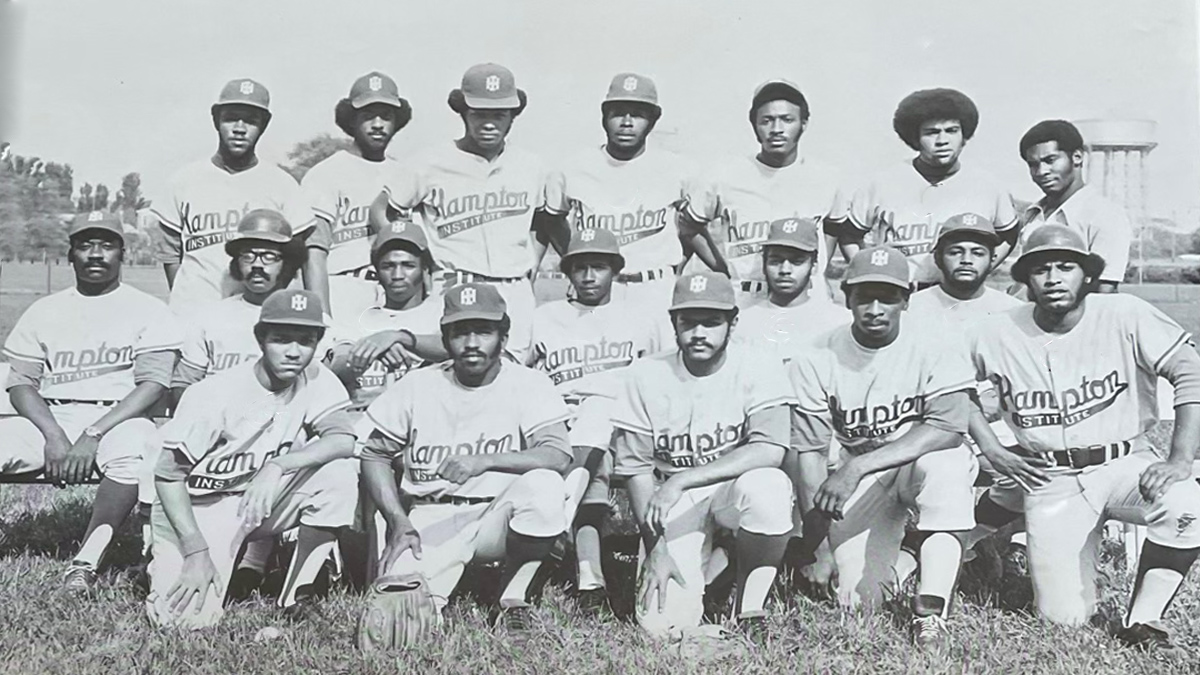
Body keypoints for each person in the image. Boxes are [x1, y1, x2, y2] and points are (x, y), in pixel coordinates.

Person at [967, 225, 1200, 656]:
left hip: (1124, 462)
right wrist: (993, 449)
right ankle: (987, 540)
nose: (1054, 278)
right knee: (1063, 619)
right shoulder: (993, 330)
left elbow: (1190, 370)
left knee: (1188, 502)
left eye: (1066, 266)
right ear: (1025, 278)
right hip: (1050, 477)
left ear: (1087, 274)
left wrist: (1181, 458)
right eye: (1041, 269)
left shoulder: (1124, 312)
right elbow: (949, 389)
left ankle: (1143, 622)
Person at [358, 283, 580, 632]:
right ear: (445, 340)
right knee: (396, 620)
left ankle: (513, 596)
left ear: (503, 338)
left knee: (545, 486)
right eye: (461, 332)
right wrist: (397, 519)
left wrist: (485, 461)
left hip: (498, 515)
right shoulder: (417, 385)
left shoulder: (528, 382)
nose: (472, 342)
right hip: (432, 515)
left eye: (484, 331)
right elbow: (373, 454)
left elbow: (557, 455)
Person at [789, 246, 977, 648]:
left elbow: (949, 427)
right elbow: (807, 452)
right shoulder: (816, 354)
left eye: (887, 297)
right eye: (864, 296)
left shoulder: (937, 341)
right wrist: (819, 546)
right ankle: (912, 553)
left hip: (914, 462)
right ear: (846, 297)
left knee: (946, 466)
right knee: (859, 602)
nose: (875, 308)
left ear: (906, 299)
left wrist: (856, 468)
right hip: (862, 473)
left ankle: (932, 614)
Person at [145, 289, 358, 629]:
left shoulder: (318, 378)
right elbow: (168, 476)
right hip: (200, 506)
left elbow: (343, 439)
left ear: (317, 342)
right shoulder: (214, 394)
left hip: (260, 498)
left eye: (305, 341)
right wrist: (195, 549)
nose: (293, 351)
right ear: (260, 339)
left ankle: (295, 595)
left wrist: (279, 465)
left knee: (339, 474)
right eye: (281, 339)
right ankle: (164, 557)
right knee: (183, 622)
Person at [0, 211, 182, 592]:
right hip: (51, 417)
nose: (96, 254)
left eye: (106, 245)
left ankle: (86, 560)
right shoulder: (45, 309)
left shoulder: (148, 308)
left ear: (123, 254)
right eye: (85, 245)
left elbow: (152, 386)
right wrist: (52, 434)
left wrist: (93, 433)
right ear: (71, 255)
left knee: (137, 452)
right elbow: (21, 385)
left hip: (118, 419)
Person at [611, 270, 795, 638]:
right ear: (673, 322)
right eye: (688, 322)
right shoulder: (644, 374)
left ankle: (750, 607)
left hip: (730, 487)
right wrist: (656, 548)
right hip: (671, 499)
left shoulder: (760, 364)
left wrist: (683, 479)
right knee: (660, 627)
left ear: (733, 322)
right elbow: (636, 469)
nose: (698, 334)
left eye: (711, 323)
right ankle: (718, 561)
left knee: (769, 488)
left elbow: (770, 449)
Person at [169, 209, 311, 598]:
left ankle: (259, 563)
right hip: (218, 443)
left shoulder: (307, 316)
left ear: (287, 264)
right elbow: (184, 384)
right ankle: (166, 546)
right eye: (250, 255)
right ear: (236, 262)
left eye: (271, 256)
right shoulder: (211, 316)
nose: (259, 265)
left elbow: (320, 390)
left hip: (280, 438)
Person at [371, 63, 555, 364]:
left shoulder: (533, 166)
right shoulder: (429, 162)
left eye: (499, 114)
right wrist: (412, 262)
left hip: (514, 286)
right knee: (449, 371)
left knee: (510, 372)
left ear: (512, 117)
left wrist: (529, 267)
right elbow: (383, 210)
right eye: (480, 113)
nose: (489, 122)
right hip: (454, 281)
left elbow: (542, 224)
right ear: (463, 112)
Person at [526, 228, 662, 614]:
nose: (588, 276)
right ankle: (592, 584)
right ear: (567, 272)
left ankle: (559, 525)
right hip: (565, 421)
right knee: (593, 454)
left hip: (626, 423)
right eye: (579, 267)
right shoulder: (546, 316)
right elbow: (521, 372)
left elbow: (662, 374)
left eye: (598, 267)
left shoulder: (641, 316)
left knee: (600, 410)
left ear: (615, 270)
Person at [828, 88, 1018, 290]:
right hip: (900, 291)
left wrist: (979, 272)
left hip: (957, 294)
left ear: (964, 135)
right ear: (915, 138)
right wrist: (870, 272)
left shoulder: (988, 185)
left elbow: (1008, 235)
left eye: (952, 131)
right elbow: (849, 236)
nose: (943, 140)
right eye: (932, 132)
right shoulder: (882, 182)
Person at [151, 78, 315, 312]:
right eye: (231, 118)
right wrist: (185, 302)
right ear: (216, 120)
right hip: (193, 310)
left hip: (254, 314)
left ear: (264, 125)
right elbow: (171, 256)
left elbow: (296, 256)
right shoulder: (183, 181)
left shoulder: (283, 184)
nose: (239, 128)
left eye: (250, 121)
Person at [678, 80, 842, 303]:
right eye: (767, 121)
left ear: (803, 124)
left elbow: (834, 226)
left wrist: (819, 264)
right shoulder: (724, 175)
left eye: (787, 119)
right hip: (746, 295)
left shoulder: (826, 177)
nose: (776, 129)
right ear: (755, 126)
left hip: (807, 296)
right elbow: (688, 225)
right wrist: (722, 268)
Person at [542, 72, 691, 317]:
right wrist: (576, 263)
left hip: (655, 287)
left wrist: (675, 263)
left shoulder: (677, 169)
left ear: (652, 121)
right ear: (604, 117)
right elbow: (552, 220)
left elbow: (694, 226)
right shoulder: (572, 168)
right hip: (597, 292)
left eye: (638, 115)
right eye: (618, 113)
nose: (627, 122)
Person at [302, 71, 413, 317]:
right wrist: (323, 318)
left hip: (394, 291)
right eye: (367, 116)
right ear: (351, 121)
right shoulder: (325, 173)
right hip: (344, 287)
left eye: (386, 116)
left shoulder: (404, 174)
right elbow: (314, 254)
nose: (377, 124)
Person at [325, 220, 445, 412]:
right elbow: (337, 367)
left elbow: (454, 347)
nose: (397, 274)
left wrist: (398, 337)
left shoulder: (439, 311)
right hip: (364, 419)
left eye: (408, 265)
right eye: (388, 266)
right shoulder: (359, 311)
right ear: (377, 271)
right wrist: (371, 350)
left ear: (425, 269)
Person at [1014, 119, 1133, 293]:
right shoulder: (1032, 214)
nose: (1041, 172)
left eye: (1050, 160)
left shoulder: (1105, 215)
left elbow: (1104, 290)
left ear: (1077, 157)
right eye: (1033, 164)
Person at [732, 217, 850, 360]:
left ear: (814, 266)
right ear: (764, 265)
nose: (785, 270)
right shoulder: (744, 322)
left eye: (796, 261)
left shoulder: (838, 321)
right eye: (775, 261)